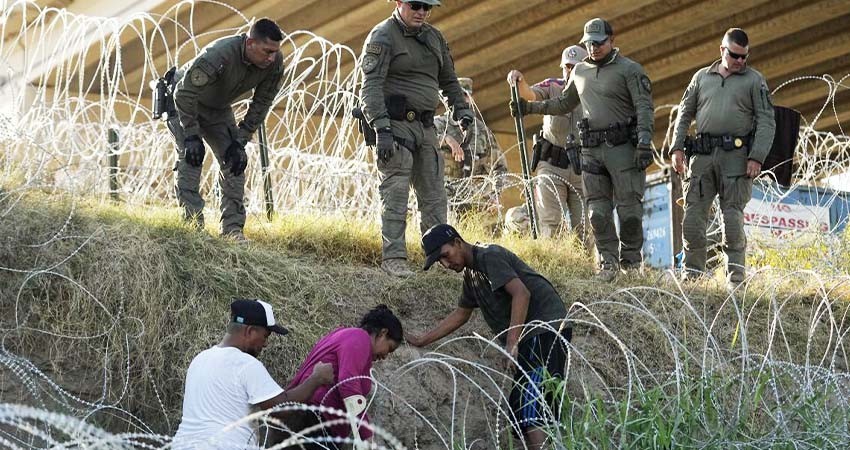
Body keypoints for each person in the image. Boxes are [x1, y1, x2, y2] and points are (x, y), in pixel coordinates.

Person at [510, 18, 654, 282]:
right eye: (589, 43)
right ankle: (608, 264)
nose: (594, 48)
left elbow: (644, 106)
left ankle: (631, 265)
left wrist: (644, 141)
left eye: (599, 43)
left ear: (612, 40)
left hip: (623, 149)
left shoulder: (630, 70)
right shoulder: (579, 72)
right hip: (592, 151)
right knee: (597, 213)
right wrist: (529, 108)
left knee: (630, 212)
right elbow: (563, 103)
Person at [407, 224, 571, 450]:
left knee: (532, 403)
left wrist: (512, 343)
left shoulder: (489, 256)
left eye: (445, 255)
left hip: (546, 328)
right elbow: (461, 314)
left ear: (457, 242)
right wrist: (423, 340)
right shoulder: (471, 274)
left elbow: (521, 293)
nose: (446, 264)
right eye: (440, 262)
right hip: (531, 335)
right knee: (520, 405)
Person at [359, 0, 474, 277]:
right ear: (399, 3)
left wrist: (462, 111)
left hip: (425, 127)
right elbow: (370, 87)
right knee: (395, 194)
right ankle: (394, 258)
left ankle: (439, 260)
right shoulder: (383, 35)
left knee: (434, 198)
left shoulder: (434, 38)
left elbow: (449, 80)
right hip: (396, 126)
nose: (421, 12)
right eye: (415, 5)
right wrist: (382, 129)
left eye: (427, 7)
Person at [670, 28, 776, 286]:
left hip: (736, 159)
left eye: (744, 57)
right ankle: (692, 279)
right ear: (722, 51)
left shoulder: (754, 80)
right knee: (694, 220)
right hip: (702, 158)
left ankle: (736, 282)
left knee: (732, 221)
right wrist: (676, 147)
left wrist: (757, 156)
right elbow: (684, 113)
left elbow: (766, 121)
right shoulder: (701, 77)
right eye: (735, 55)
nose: (740, 61)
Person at [168, 18, 285, 242]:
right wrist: (191, 134)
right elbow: (184, 93)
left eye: (275, 52)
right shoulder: (220, 54)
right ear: (250, 43)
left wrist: (240, 140)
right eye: (267, 51)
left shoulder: (274, 63)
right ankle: (193, 229)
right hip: (185, 104)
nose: (271, 57)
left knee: (235, 162)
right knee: (191, 158)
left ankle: (232, 230)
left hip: (218, 109)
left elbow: (262, 103)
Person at [171, 299, 334, 450]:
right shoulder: (244, 363)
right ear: (249, 331)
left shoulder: (200, 359)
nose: (265, 343)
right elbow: (280, 408)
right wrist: (316, 379)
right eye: (265, 335)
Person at [283, 305, 404, 448]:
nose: (385, 356)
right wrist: (367, 436)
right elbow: (348, 386)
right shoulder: (359, 338)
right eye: (389, 349)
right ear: (383, 333)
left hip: (312, 420)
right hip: (317, 423)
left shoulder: (344, 334)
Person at [507, 45, 592, 249]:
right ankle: (551, 265)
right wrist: (519, 80)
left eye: (575, 67)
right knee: (550, 222)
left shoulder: (594, 91)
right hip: (552, 164)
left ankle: (586, 273)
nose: (570, 71)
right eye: (567, 67)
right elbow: (529, 94)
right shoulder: (553, 86)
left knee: (585, 228)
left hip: (583, 168)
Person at [433, 77, 507, 215]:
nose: (462, 100)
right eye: (457, 95)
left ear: (470, 98)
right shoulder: (438, 125)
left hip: (475, 199)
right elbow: (422, 142)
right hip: (443, 197)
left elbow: (500, 166)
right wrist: (447, 139)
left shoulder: (482, 131)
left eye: (465, 95)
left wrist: (495, 194)